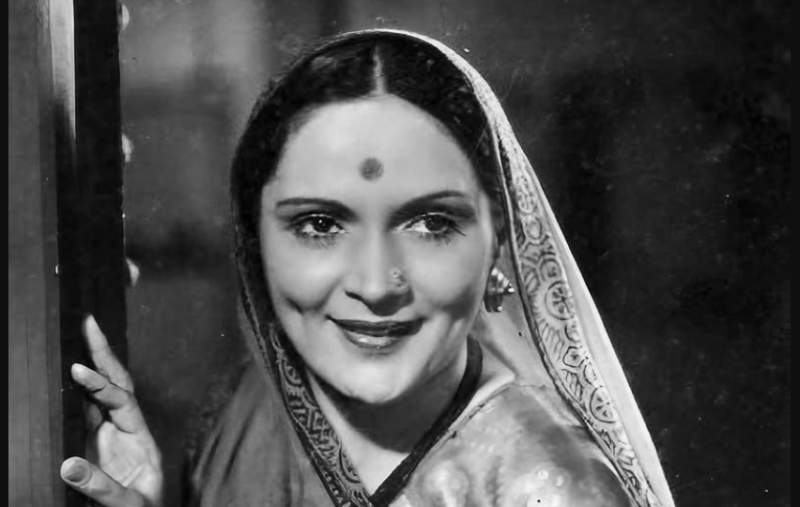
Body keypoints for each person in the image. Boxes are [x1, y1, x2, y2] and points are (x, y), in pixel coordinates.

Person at [60, 29, 675, 507]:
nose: (377, 285)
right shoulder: (239, 422)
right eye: (320, 225)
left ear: (499, 242)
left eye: (431, 223)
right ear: (254, 242)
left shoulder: (543, 485)